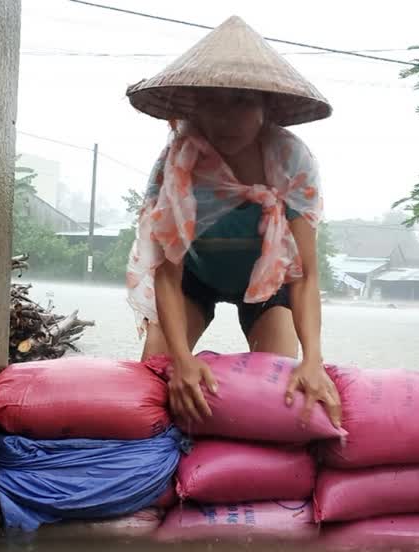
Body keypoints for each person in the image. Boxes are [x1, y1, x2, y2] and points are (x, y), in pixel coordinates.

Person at [124, 15, 341, 431]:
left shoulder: (290, 160)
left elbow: (306, 274)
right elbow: (166, 274)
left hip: (269, 283)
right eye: (213, 101)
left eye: (241, 100)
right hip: (193, 278)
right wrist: (183, 363)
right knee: (158, 378)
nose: (227, 117)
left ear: (265, 107)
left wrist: (314, 360)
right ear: (195, 106)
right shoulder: (177, 163)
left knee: (282, 394)